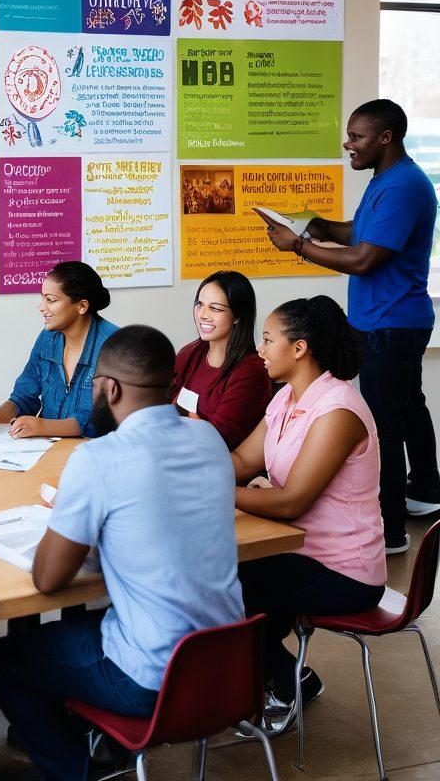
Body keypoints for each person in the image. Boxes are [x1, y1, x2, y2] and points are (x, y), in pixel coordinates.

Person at [0, 326, 243, 781]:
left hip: (152, 675)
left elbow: (48, 579)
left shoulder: (101, 458)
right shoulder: (209, 441)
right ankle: (100, 742)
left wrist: (68, 510)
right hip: (231, 662)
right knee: (80, 629)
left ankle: (77, 771)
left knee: (4, 660)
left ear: (110, 387)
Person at [258, 99, 440, 554]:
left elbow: (364, 258)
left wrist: (299, 246)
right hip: (381, 321)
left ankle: (393, 531)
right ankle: (427, 493)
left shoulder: (404, 187)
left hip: (390, 324)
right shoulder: (387, 179)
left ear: (386, 137)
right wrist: (313, 225)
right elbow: (357, 234)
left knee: (383, 423)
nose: (347, 144)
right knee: (408, 408)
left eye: (357, 137)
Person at [232, 296, 386, 717]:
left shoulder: (338, 409)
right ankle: (290, 677)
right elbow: (243, 461)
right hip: (299, 552)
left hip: (344, 569)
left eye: (267, 340)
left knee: (229, 592)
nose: (259, 350)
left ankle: (282, 684)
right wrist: (185, 458)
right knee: (225, 583)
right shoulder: (285, 399)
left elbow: (291, 502)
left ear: (299, 348)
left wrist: (209, 488)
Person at [0, 261, 118, 439]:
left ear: (81, 306)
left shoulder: (115, 345)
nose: (41, 307)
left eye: (50, 300)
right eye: (42, 298)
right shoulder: (47, 338)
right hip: (47, 451)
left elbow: (102, 420)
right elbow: (24, 397)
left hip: (94, 452)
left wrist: (43, 426)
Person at [170, 270, 272, 449]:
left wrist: (178, 421)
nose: (202, 314)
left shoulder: (251, 372)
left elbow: (217, 441)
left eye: (215, 308)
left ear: (237, 316)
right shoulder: (190, 353)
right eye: (199, 304)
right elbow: (162, 408)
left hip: (215, 466)